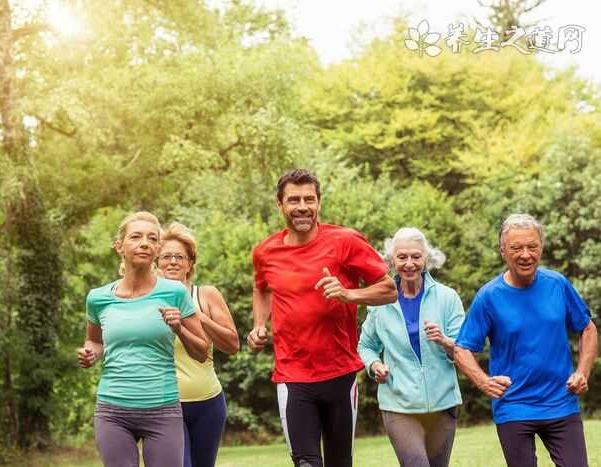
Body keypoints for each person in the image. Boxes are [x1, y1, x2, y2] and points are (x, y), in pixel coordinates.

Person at [248, 168, 398, 467]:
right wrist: (259, 325)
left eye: (309, 199)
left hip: (340, 374)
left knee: (339, 463)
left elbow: (389, 290)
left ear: (319, 202)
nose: (302, 206)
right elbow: (262, 288)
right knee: (305, 462)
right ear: (280, 205)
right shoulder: (266, 252)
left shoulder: (345, 241)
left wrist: (348, 294)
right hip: (293, 376)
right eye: (293, 200)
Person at [454, 213, 598, 467]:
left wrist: (582, 372)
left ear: (541, 247)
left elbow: (587, 328)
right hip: (514, 406)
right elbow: (463, 349)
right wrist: (484, 382)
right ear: (503, 251)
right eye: (516, 247)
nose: (525, 254)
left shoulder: (558, 284)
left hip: (561, 403)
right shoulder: (489, 296)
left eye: (532, 246)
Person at [77, 211, 209, 467]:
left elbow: (202, 351)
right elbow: (95, 341)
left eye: (152, 238)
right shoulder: (98, 298)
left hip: (162, 409)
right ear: (120, 246)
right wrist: (90, 353)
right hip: (112, 410)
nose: (145, 243)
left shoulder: (175, 292)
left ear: (157, 248)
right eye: (136, 237)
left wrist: (179, 327)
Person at [358, 227, 464, 467]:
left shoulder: (447, 298)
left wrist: (444, 340)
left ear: (426, 259)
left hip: (443, 403)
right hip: (399, 404)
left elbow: (464, 349)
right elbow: (366, 345)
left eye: (416, 256)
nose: (409, 263)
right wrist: (374, 365)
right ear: (391, 260)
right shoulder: (380, 301)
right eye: (402, 257)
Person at [157, 222, 239, 467]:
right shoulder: (146, 298)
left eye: (180, 257)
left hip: (208, 403)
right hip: (165, 405)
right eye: (166, 256)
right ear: (156, 262)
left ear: (190, 263)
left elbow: (233, 344)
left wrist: (198, 316)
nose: (173, 262)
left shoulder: (206, 295)